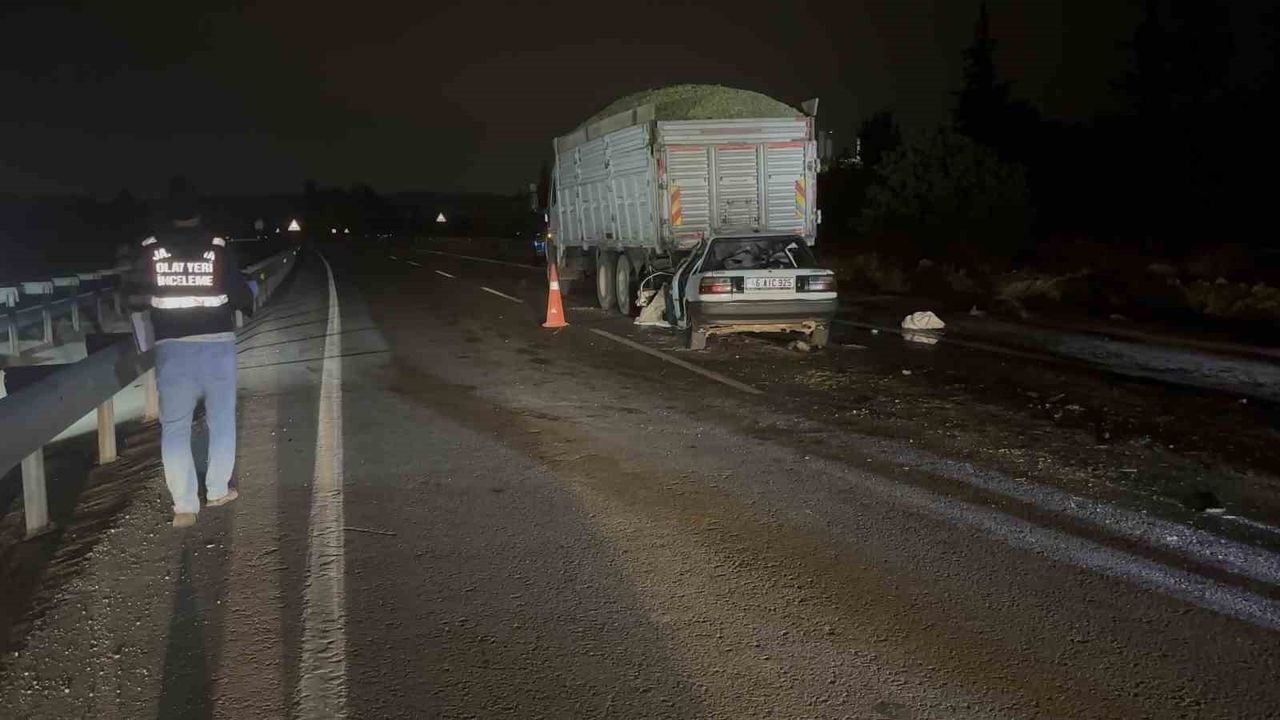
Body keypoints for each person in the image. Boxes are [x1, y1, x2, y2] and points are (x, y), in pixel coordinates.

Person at [132, 178, 256, 528]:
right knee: (221, 421)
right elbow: (242, 297)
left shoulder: (150, 248)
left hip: (171, 349)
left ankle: (184, 506)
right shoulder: (217, 247)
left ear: (168, 213)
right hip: (217, 347)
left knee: (174, 427)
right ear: (199, 212)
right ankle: (217, 491)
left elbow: (132, 295)